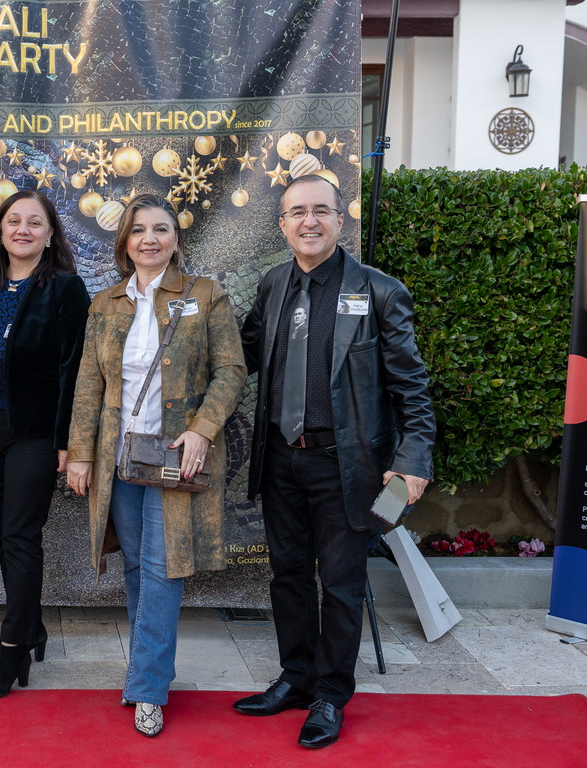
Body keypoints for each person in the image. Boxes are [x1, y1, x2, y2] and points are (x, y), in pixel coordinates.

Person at [235, 174, 436, 748]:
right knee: (288, 576)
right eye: (297, 212)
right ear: (282, 224)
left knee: (342, 584)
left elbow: (412, 389)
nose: (309, 221)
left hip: (348, 467)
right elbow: (241, 355)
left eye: (320, 210)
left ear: (339, 220)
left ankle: (330, 695)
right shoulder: (273, 284)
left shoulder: (380, 292)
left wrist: (413, 460)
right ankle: (296, 678)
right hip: (280, 459)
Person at [66, 194, 247, 737]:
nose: (150, 239)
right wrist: (80, 452)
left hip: (174, 458)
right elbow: (88, 384)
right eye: (139, 229)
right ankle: (149, 670)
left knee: (161, 567)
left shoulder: (205, 295)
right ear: (125, 241)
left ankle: (147, 686)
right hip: (118, 457)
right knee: (134, 565)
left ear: (176, 239)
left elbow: (231, 370)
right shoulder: (105, 303)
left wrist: (202, 429)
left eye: (161, 229)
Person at [0, 190, 90, 699]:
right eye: (14, 221)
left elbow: (76, 369)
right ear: (0, 230)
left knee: (21, 536)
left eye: (34, 222)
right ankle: (32, 628)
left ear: (50, 234)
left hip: (34, 431)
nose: (23, 230)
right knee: (6, 537)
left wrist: (69, 440)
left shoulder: (65, 289)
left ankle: (12, 651)